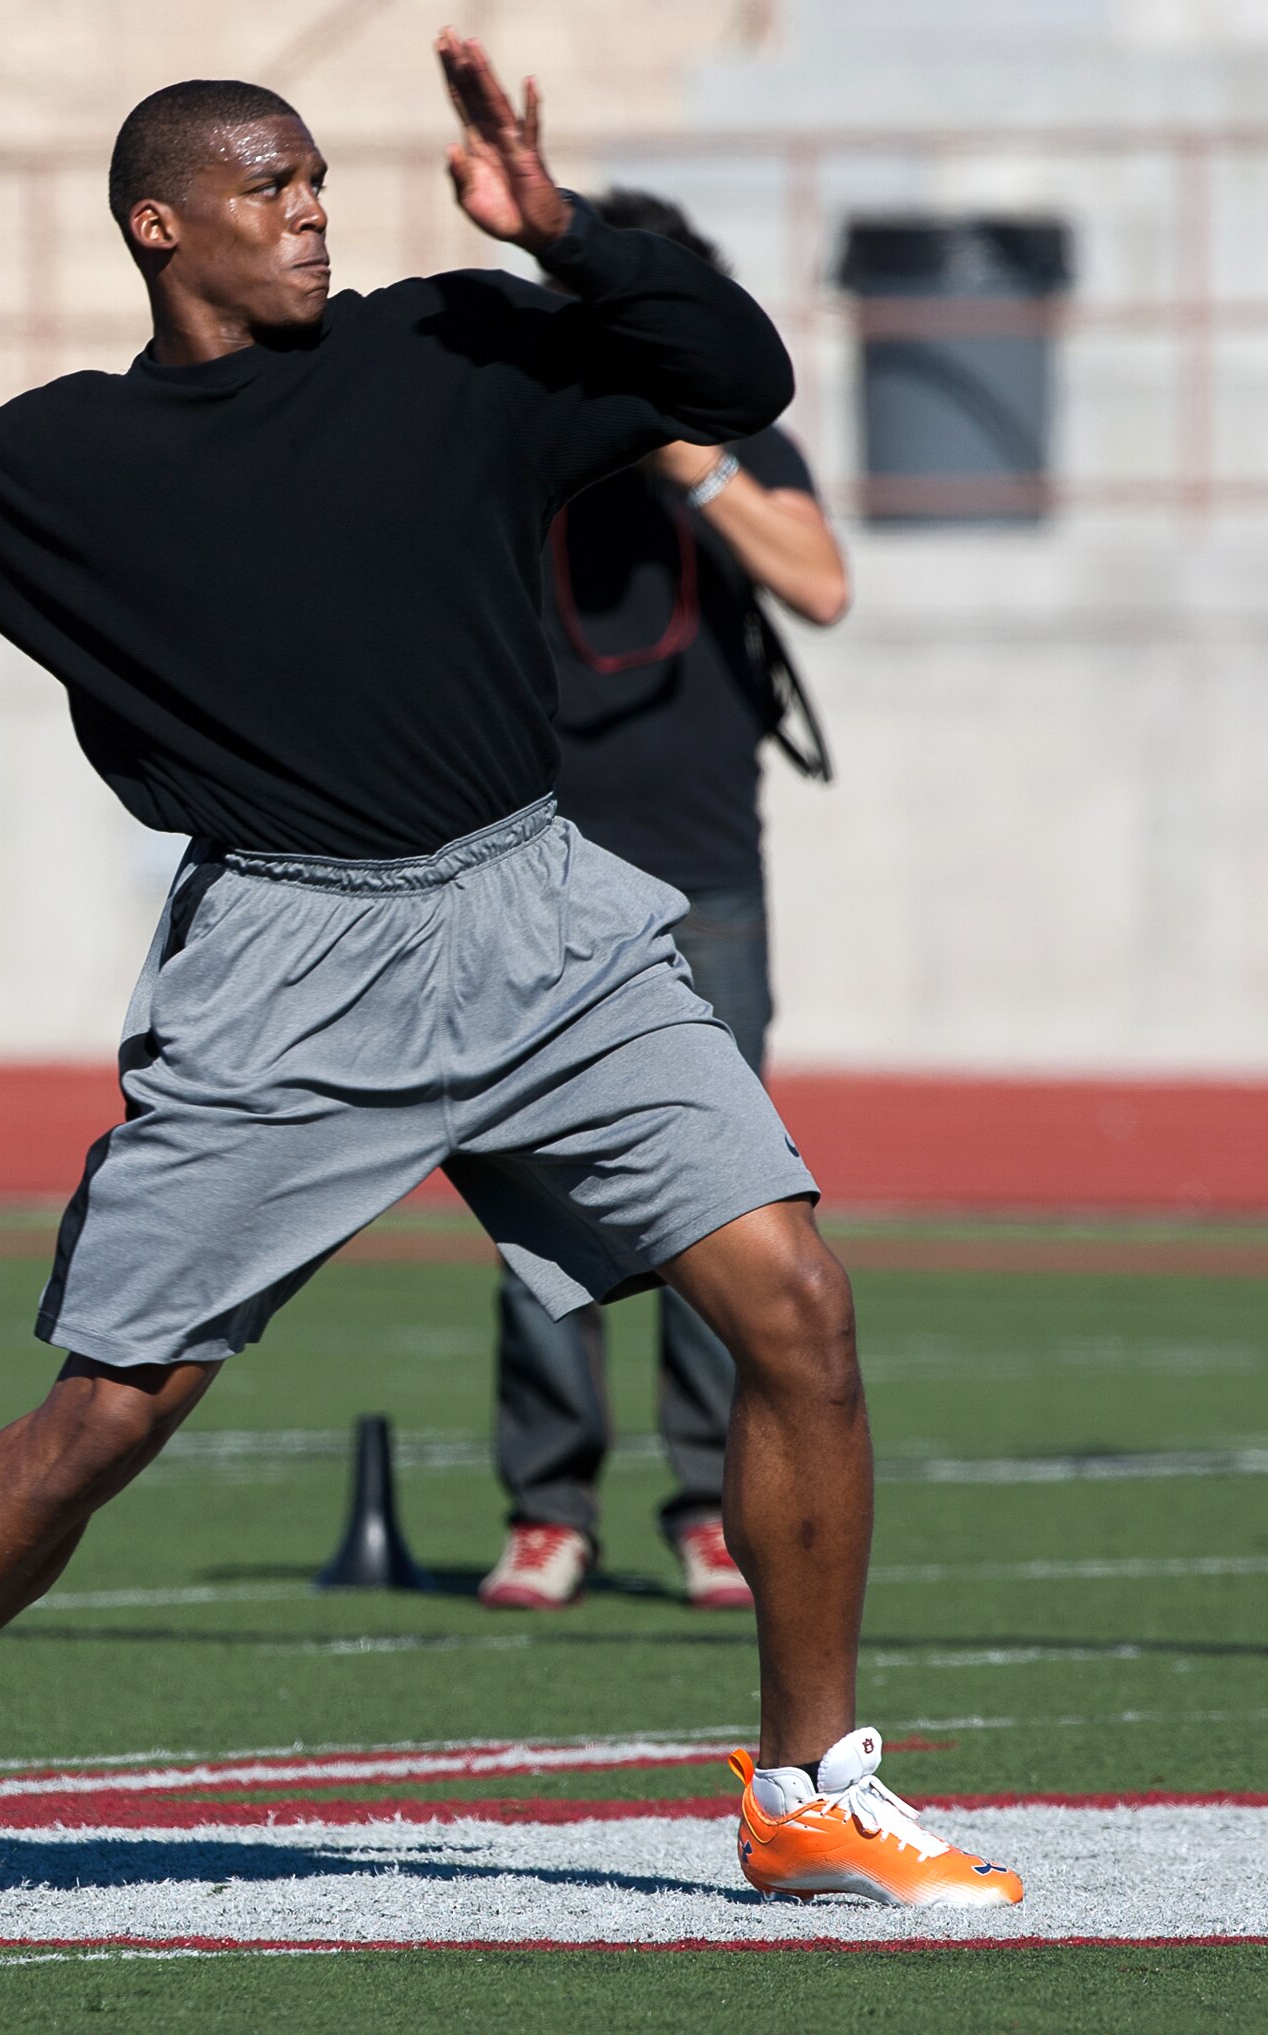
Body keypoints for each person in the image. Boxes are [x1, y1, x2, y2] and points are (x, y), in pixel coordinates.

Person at [0, 38, 1021, 1914]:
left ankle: (807, 1785)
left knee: (798, 1307)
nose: (313, 210)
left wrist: (569, 234)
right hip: (290, 961)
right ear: (162, 225)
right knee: (103, 1420)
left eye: (315, 181)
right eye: (271, 184)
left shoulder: (446, 347)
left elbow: (735, 377)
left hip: (541, 921)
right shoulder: (63, 461)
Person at [475, 188, 848, 1616]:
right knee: (533, 1195)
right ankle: (548, 1505)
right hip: (528, 863)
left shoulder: (742, 446)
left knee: (728, 1193)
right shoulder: (520, 446)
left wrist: (690, 458)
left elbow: (822, 585)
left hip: (705, 872)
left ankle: (707, 1499)